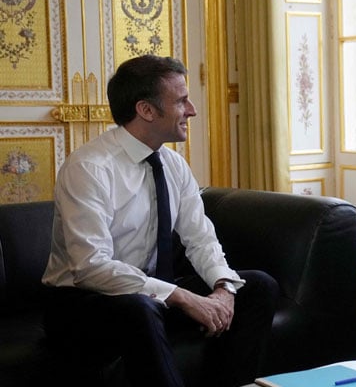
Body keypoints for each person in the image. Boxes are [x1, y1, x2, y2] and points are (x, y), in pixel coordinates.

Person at [42, 55, 279, 387]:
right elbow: (91, 267)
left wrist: (223, 288)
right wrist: (180, 296)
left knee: (256, 287)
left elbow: (201, 239)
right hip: (81, 303)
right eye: (181, 101)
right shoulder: (89, 168)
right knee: (140, 309)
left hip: (148, 292)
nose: (192, 110)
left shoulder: (173, 164)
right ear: (147, 110)